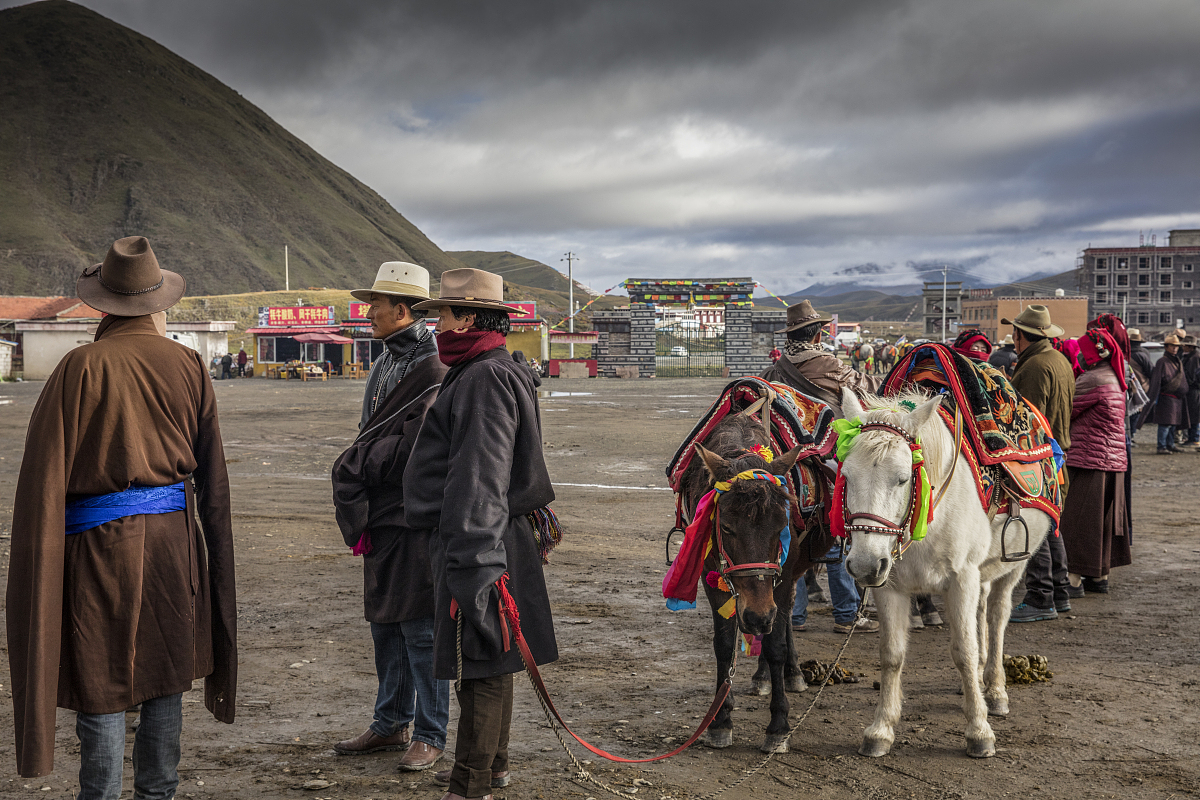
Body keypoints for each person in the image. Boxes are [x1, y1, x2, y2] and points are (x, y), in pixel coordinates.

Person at [6, 236, 237, 795]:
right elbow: (213, 476)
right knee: (165, 671)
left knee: (101, 672)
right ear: (157, 303)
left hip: (99, 545)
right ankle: (158, 791)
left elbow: (44, 479)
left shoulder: (80, 366)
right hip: (172, 543)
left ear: (103, 304)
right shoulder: (187, 363)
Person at [404, 268, 559, 800]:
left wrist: (476, 561)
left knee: (483, 658)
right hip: (490, 534)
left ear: (468, 317)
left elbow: (481, 475)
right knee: (495, 653)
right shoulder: (483, 367)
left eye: (442, 316)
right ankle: (493, 769)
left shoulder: (483, 377)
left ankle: (469, 785)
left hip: (481, 538)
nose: (436, 327)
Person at [331, 262, 450, 771]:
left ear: (402, 310)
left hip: (415, 514)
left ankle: (431, 732)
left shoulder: (434, 365)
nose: (368, 312)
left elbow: (416, 446)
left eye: (375, 305)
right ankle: (389, 723)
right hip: (382, 513)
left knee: (421, 629)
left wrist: (356, 465)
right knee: (385, 624)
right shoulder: (385, 360)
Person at [760, 300, 880, 634]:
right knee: (835, 533)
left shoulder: (774, 369)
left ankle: (795, 615)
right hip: (826, 459)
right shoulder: (828, 363)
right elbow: (866, 388)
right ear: (817, 336)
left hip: (787, 461)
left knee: (792, 535)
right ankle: (846, 614)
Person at [1002, 305, 1075, 623]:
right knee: (1051, 527)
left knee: (1035, 526)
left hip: (1037, 457)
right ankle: (1059, 593)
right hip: (1057, 455)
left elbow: (1024, 422)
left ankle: (1039, 597)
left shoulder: (1033, 368)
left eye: (1014, 334)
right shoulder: (1058, 360)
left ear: (1021, 336)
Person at [1059, 328, 1129, 597]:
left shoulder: (1091, 379)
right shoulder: (1114, 377)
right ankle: (1099, 576)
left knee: (1078, 521)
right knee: (1103, 523)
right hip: (1113, 460)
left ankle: (1073, 579)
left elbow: (1067, 409)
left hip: (1089, 460)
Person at [1142, 334, 1190, 454]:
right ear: (1166, 346)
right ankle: (1161, 446)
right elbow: (1157, 380)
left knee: (1173, 424)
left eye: (1176, 346)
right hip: (1166, 397)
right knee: (1165, 424)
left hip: (1177, 398)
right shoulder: (1162, 361)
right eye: (1172, 346)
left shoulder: (1177, 361)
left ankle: (1170, 444)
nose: (1174, 348)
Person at [1180, 335, 1200, 448]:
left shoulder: (1194, 358)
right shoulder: (1192, 356)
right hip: (1193, 390)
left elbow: (1192, 376)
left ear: (1189, 347)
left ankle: (1194, 438)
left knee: (1194, 415)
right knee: (1193, 414)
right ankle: (1193, 438)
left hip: (1193, 390)